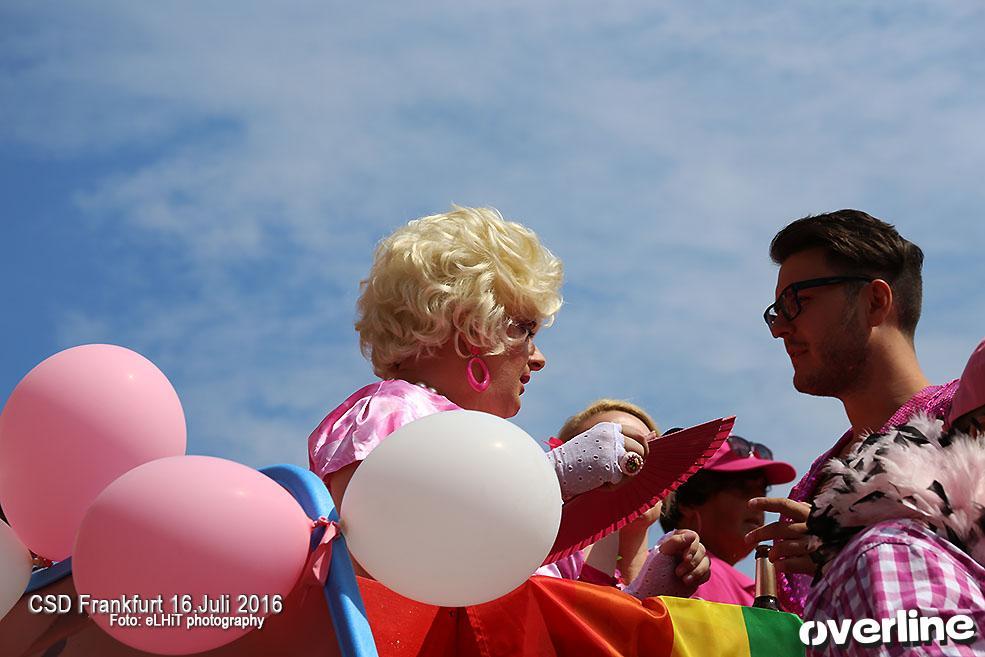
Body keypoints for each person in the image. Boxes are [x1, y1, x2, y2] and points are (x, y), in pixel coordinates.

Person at [308, 206, 651, 577]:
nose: (538, 359)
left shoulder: (496, 448)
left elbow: (568, 611)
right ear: (472, 325)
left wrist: (652, 587)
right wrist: (550, 477)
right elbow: (377, 560)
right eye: (526, 330)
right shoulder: (393, 411)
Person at [747, 209, 959, 617]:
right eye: (776, 311)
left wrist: (851, 547)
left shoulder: (965, 417)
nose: (779, 329)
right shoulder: (811, 484)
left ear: (876, 301)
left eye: (798, 302)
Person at [549, 399, 711, 596]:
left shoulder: (686, 578)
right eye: (615, 450)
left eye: (652, 455)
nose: (636, 468)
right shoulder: (539, 561)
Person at [659, 434, 795, 606]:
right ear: (687, 501)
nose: (759, 503)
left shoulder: (757, 587)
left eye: (762, 491)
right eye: (741, 489)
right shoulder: (679, 574)